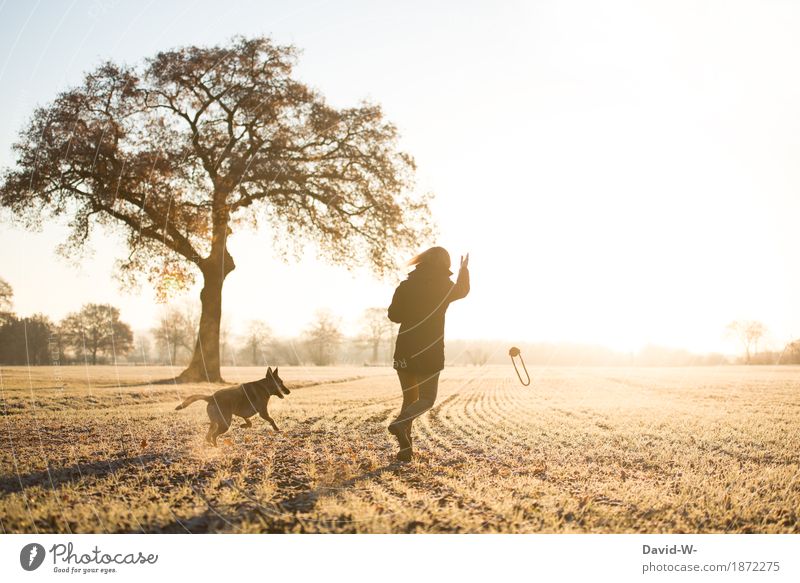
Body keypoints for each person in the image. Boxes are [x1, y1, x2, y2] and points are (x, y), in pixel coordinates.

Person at [386, 246, 470, 461]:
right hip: (429, 350)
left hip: (405, 348)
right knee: (426, 399)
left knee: (410, 401)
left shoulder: (406, 285)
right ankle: (400, 424)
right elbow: (463, 291)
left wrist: (412, 312)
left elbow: (394, 315)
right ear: (445, 264)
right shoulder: (444, 286)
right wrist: (464, 271)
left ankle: (405, 451)